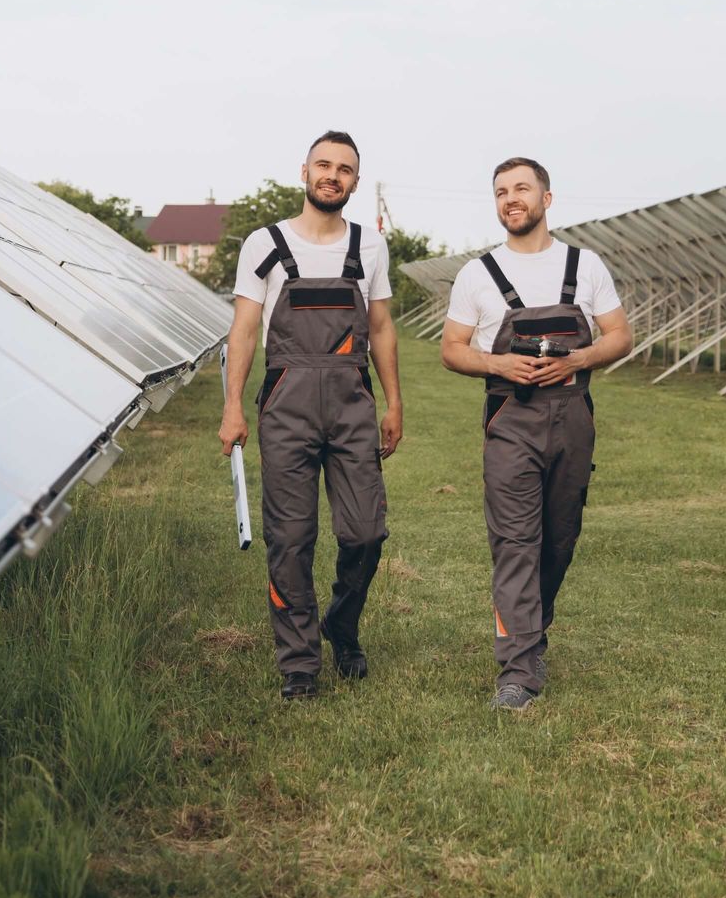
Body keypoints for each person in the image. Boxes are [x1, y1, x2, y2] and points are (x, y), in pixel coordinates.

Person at [440, 158, 632, 710]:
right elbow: (452, 349)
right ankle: (518, 670)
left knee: (558, 538)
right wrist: (499, 366)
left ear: (547, 199)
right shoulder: (478, 275)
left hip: (573, 415)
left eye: (521, 189)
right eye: (501, 192)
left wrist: (582, 355)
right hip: (510, 419)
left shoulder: (585, 265)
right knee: (515, 542)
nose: (510, 199)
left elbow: (620, 335)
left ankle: (532, 628)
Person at [218, 130, 401, 700]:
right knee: (290, 538)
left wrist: (395, 402)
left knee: (366, 532)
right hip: (286, 405)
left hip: (352, 404)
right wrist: (231, 407)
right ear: (304, 171)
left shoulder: (369, 246)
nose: (333, 175)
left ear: (354, 180)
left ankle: (341, 624)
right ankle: (299, 662)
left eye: (345, 169)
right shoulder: (264, 243)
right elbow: (246, 328)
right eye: (324, 165)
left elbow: (382, 327)